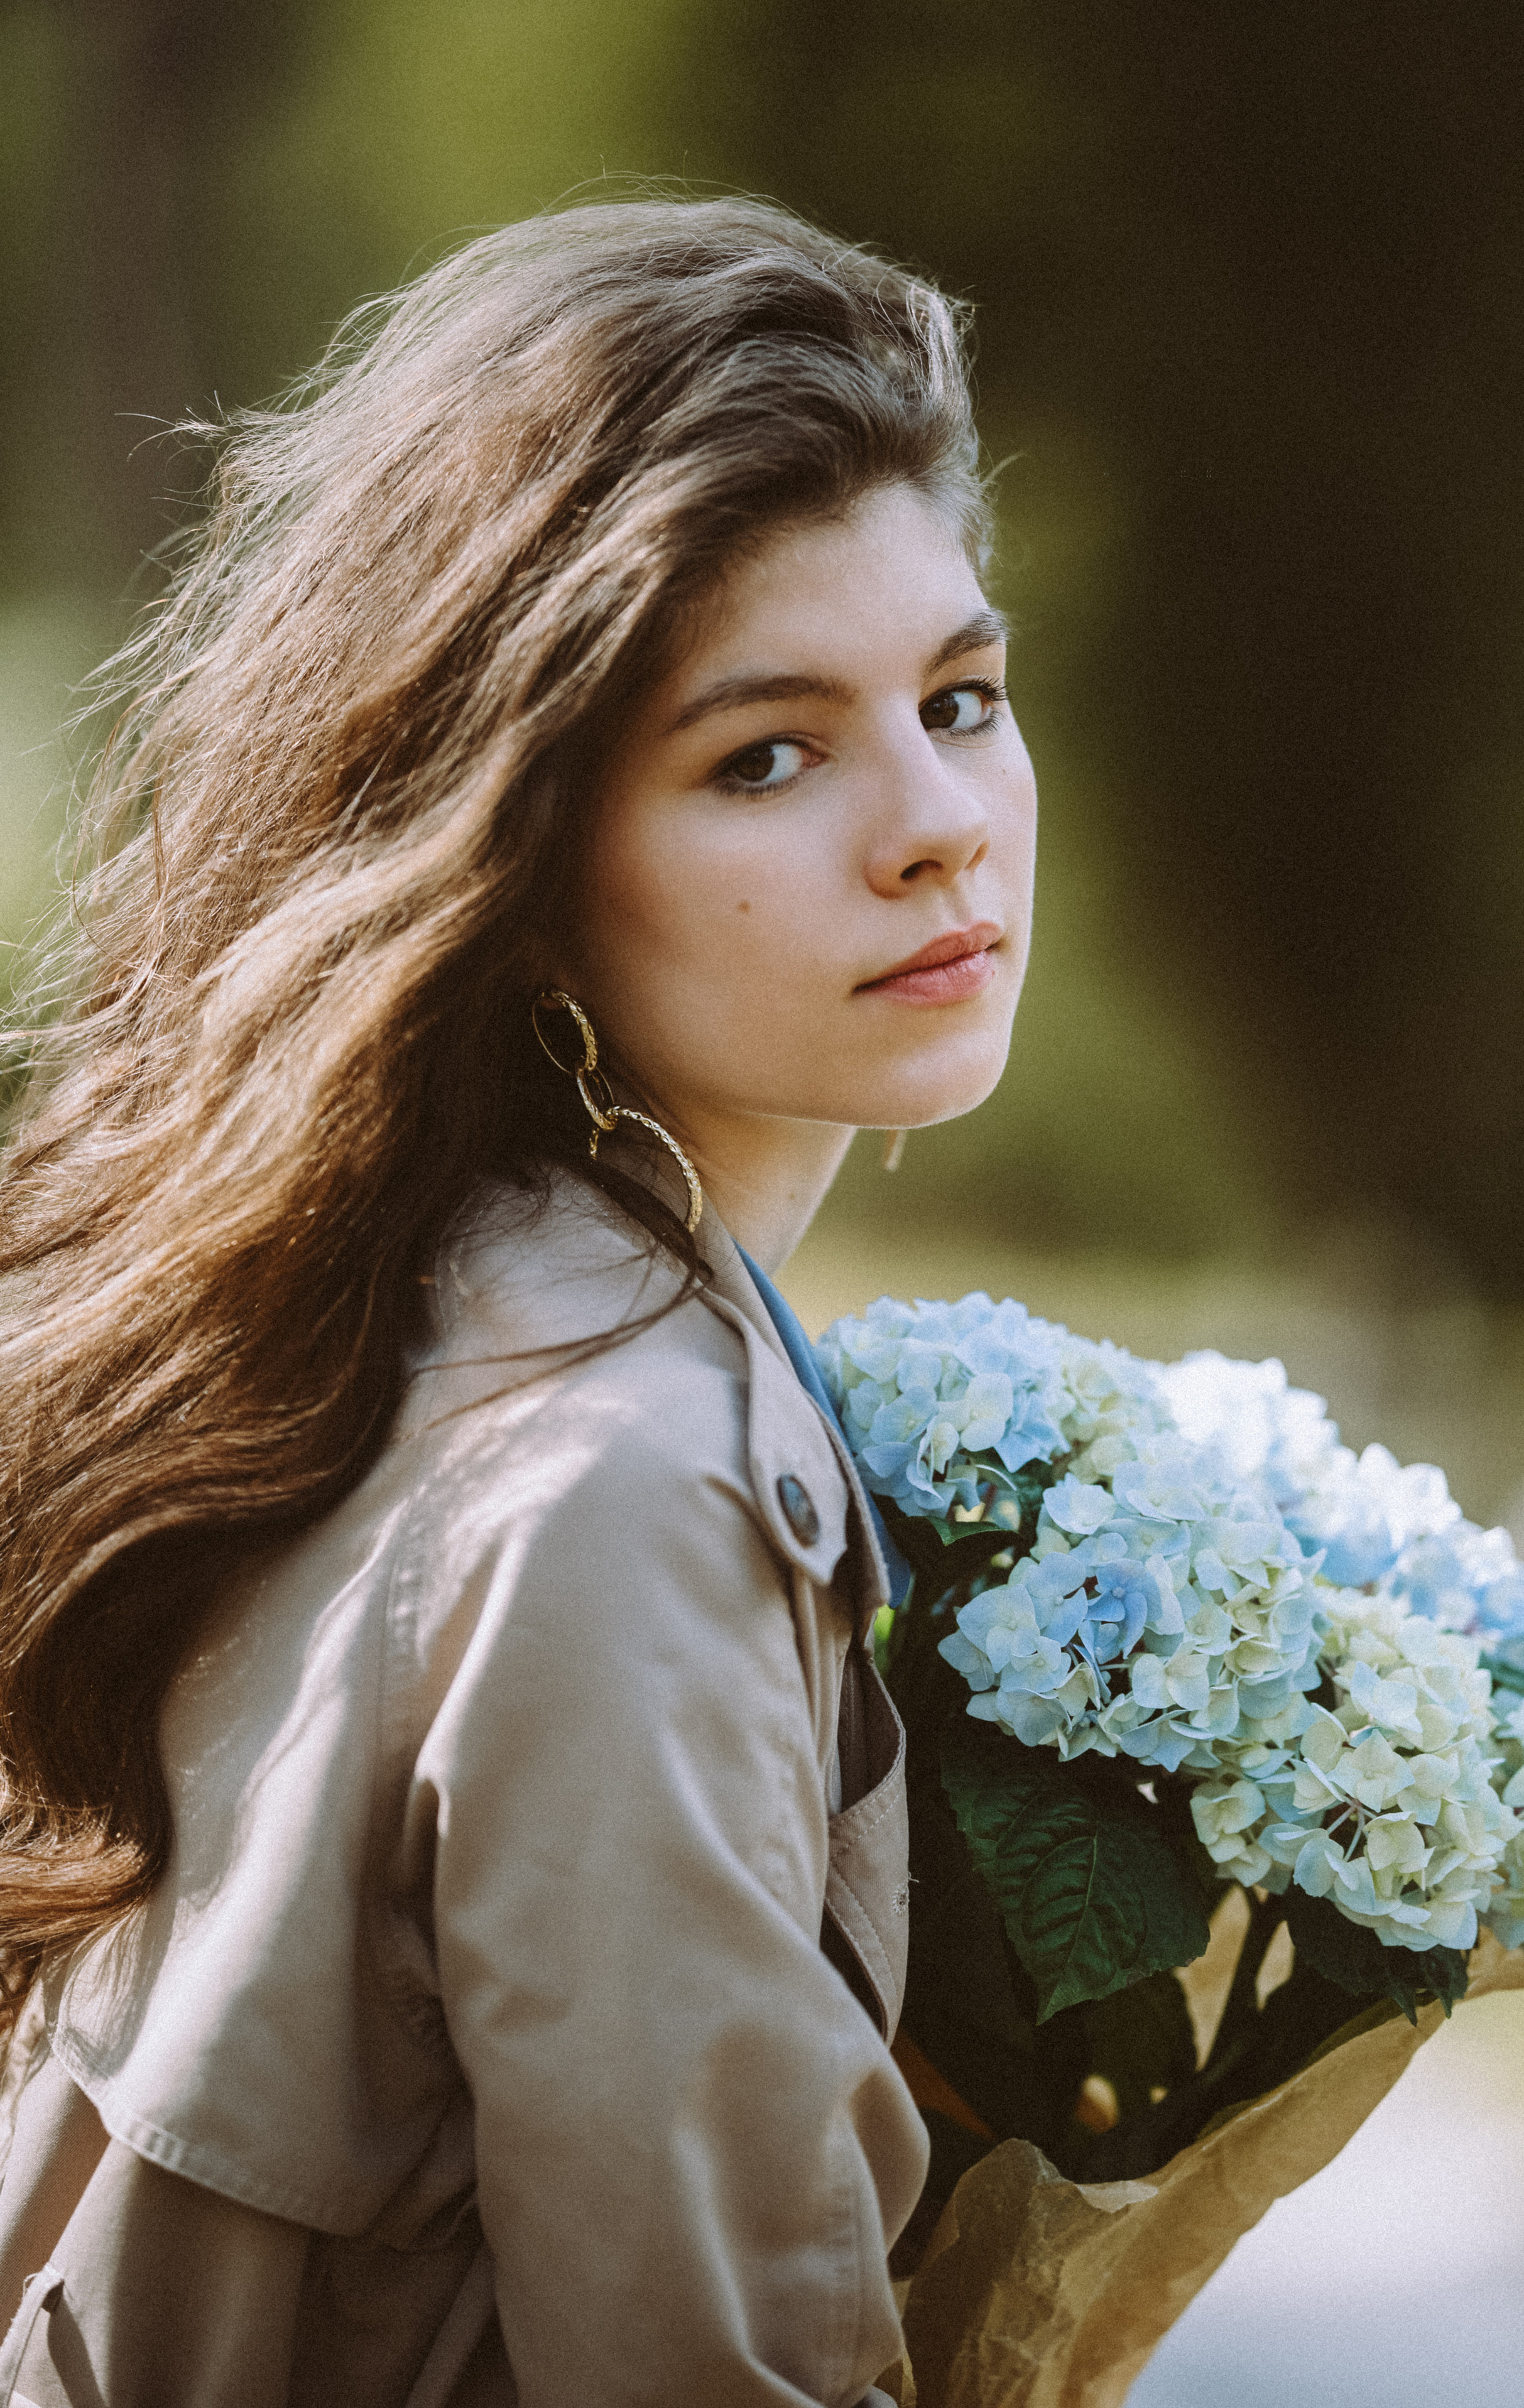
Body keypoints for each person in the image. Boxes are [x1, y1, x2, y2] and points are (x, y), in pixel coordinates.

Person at [0, 197, 1037, 2405]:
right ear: (520, 856)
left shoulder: (398, 1298)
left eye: (962, 694)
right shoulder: (620, 1480)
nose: (942, 821)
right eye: (770, 752)